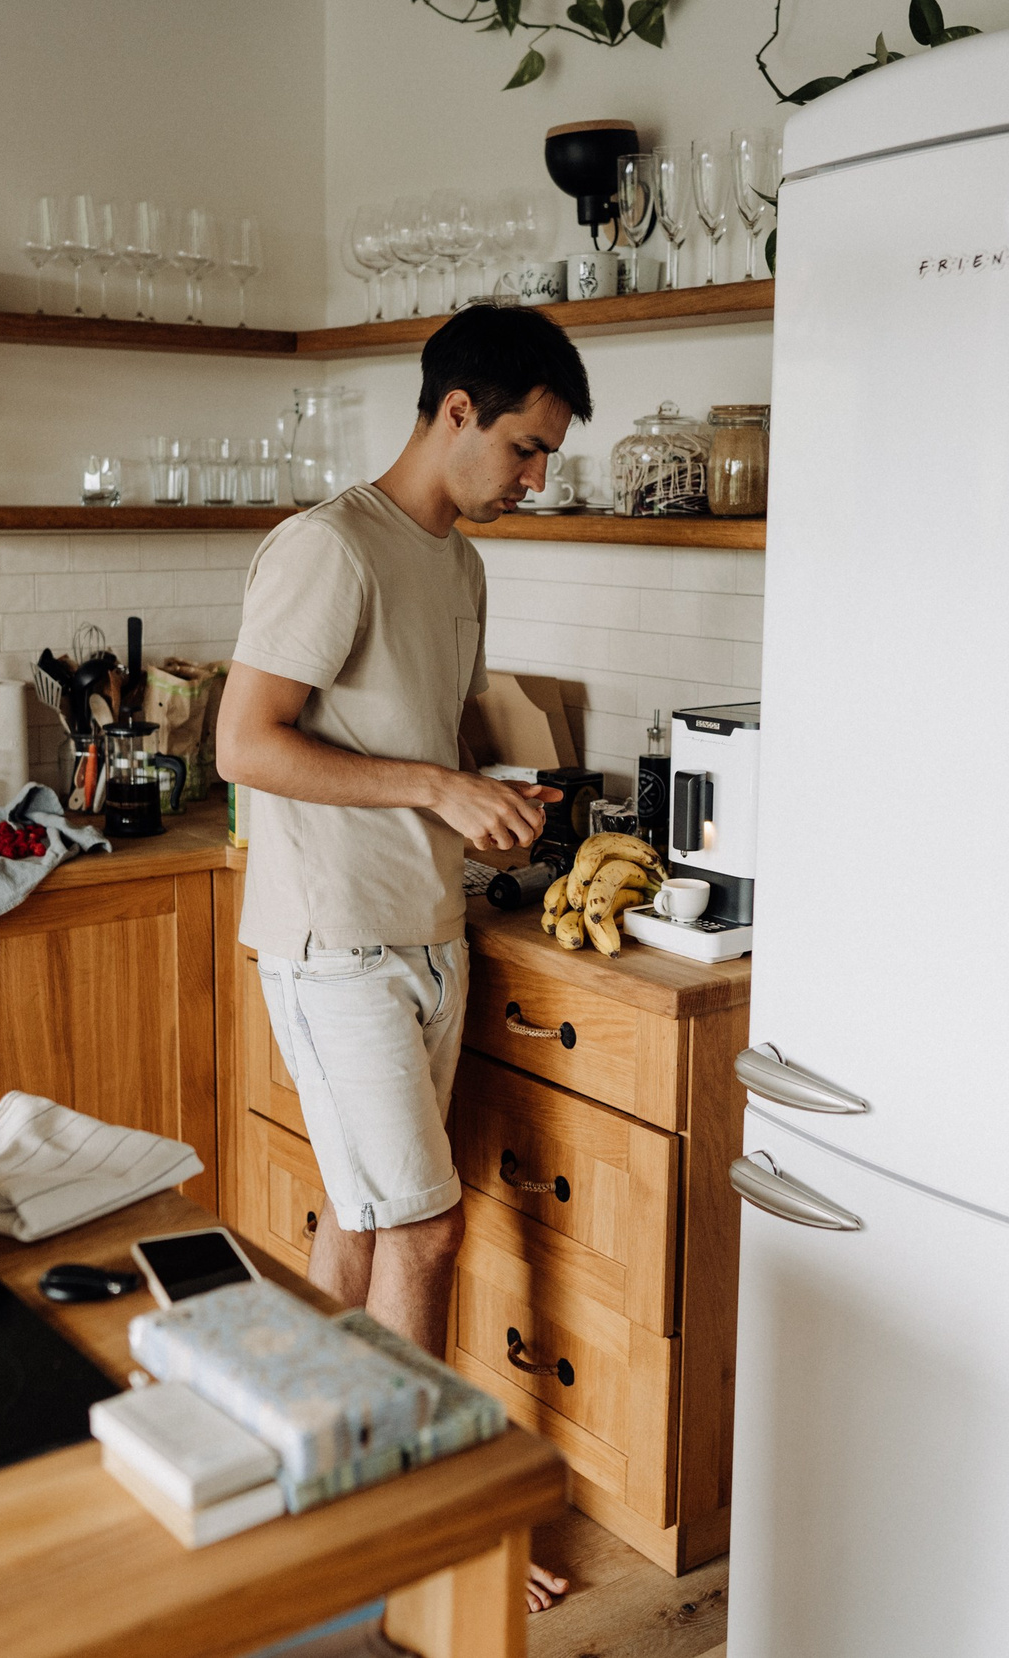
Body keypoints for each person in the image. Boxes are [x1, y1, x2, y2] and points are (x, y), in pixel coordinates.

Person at [215, 303, 590, 1611]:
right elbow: (246, 744)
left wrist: (489, 794)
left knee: (369, 1223)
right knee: (423, 1230)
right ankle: (425, 1545)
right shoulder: (332, 548)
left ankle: (303, 1482)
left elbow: (414, 746)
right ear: (455, 414)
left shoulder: (460, 565)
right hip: (334, 947)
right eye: (528, 449)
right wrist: (438, 782)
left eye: (547, 459)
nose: (535, 478)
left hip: (427, 928)